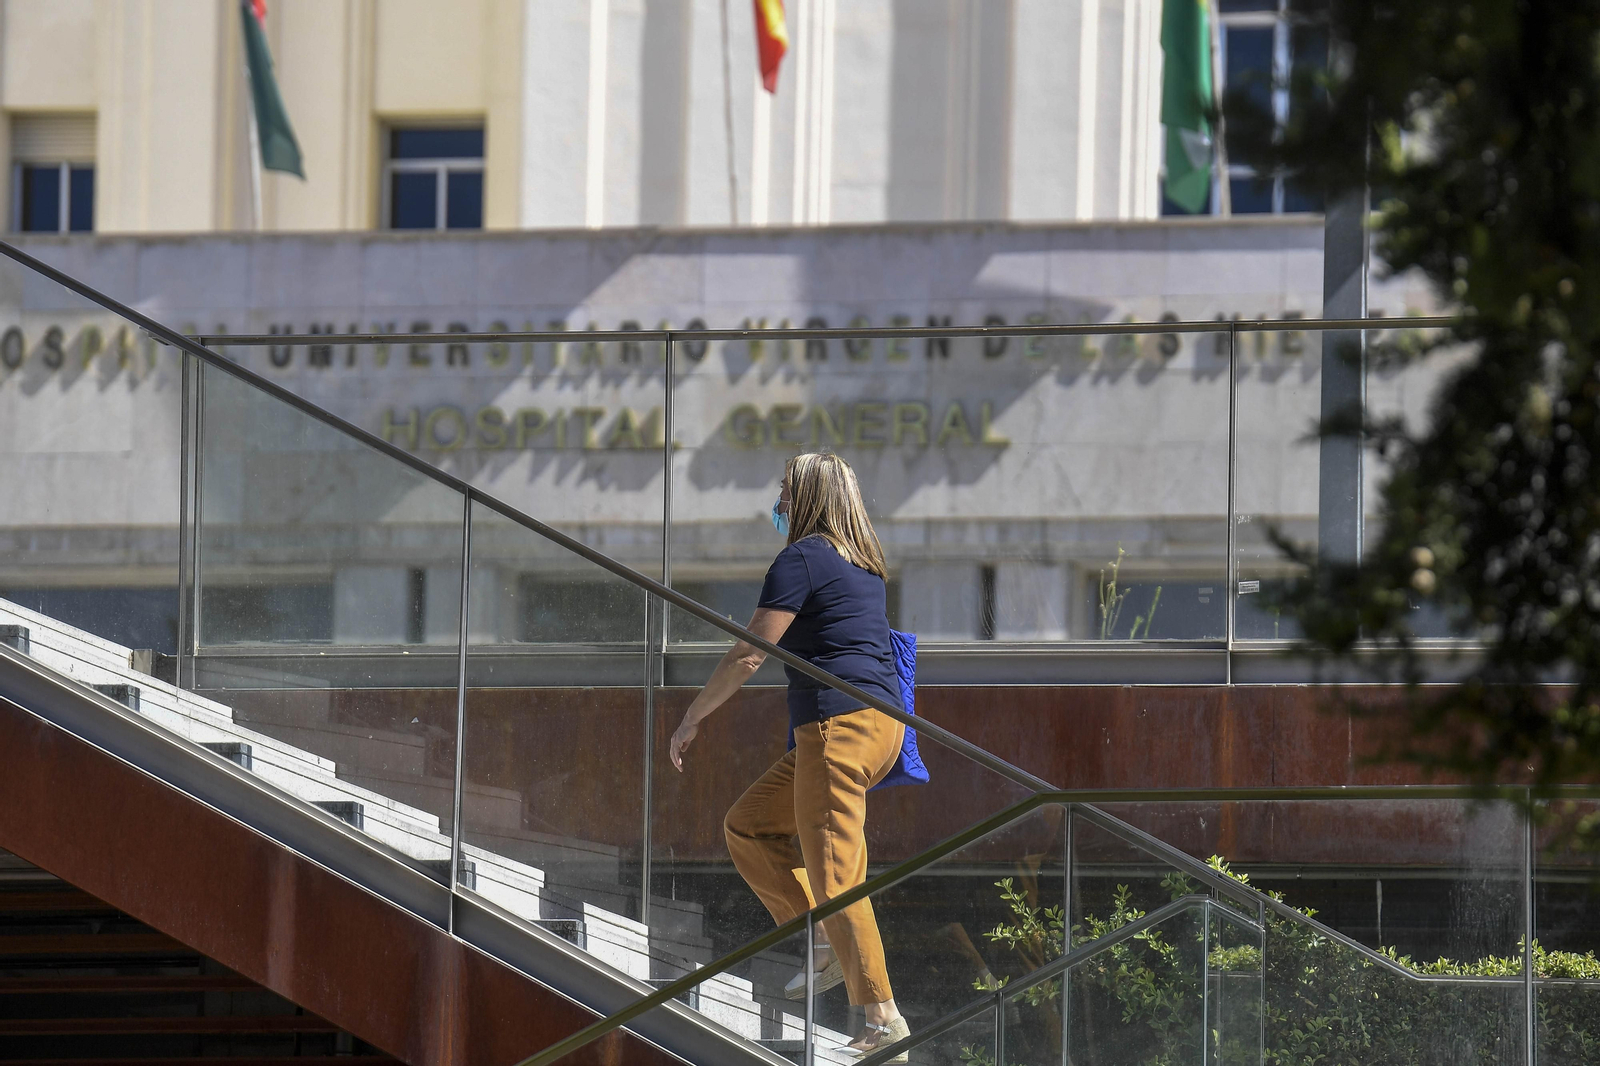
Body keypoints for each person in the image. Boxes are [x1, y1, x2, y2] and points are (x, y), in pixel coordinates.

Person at [670, 452, 910, 1061]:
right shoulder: (864, 564)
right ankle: (820, 940)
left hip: (838, 729)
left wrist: (693, 716)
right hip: (880, 729)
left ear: (806, 496)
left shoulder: (801, 557)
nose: (777, 502)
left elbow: (750, 653)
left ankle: (884, 1019)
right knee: (749, 825)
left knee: (836, 877)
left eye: (784, 490)